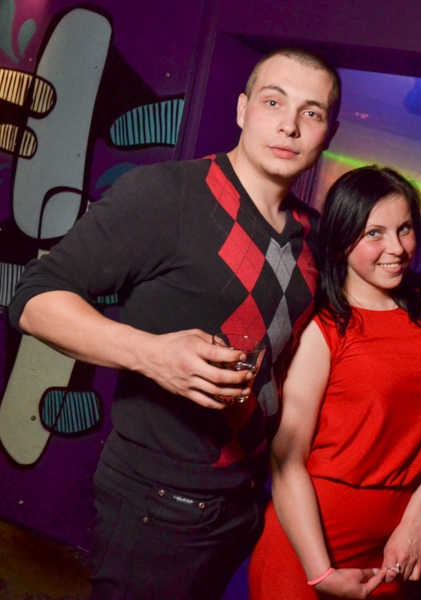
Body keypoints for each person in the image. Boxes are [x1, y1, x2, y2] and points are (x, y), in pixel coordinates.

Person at [7, 47, 340, 599]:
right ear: (242, 109)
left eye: (311, 112)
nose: (289, 125)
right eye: (273, 102)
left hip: (244, 499)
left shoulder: (315, 237)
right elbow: (34, 298)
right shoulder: (167, 194)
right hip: (156, 502)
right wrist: (152, 354)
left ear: (328, 133)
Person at [248, 166, 421, 599]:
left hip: (397, 543)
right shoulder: (323, 327)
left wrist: (416, 521)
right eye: (374, 234)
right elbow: (287, 461)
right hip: (311, 543)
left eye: (405, 229)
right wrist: (321, 573)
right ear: (342, 240)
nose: (396, 248)